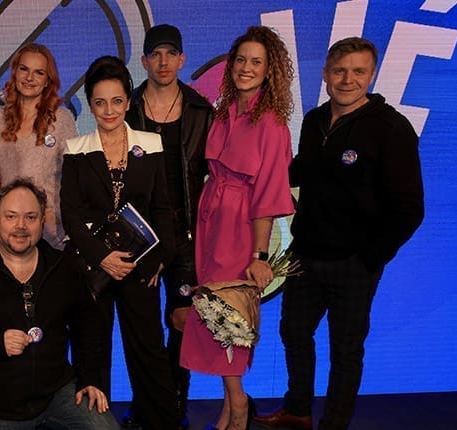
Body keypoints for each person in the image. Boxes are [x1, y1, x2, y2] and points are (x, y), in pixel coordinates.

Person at [253, 36, 424, 430]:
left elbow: (410, 208)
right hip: (305, 255)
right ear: (325, 74)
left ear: (372, 75)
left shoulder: (391, 128)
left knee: (345, 350)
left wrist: (370, 258)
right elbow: (301, 171)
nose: (348, 80)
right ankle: (297, 410)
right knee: (293, 333)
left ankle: (333, 424)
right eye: (340, 71)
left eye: (358, 71)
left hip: (354, 262)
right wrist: (255, 177)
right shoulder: (314, 121)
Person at [0, 178, 118, 429]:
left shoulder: (65, 267)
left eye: (30, 217)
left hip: (58, 393)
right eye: (11, 217)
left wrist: (90, 378)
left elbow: (89, 324)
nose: (21, 226)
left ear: (42, 220)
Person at [179, 26, 296, 430]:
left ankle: (240, 405)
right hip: (212, 219)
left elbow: (268, 196)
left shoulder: (272, 125)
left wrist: (259, 256)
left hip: (240, 229)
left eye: (256, 62)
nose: (246, 68)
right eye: (241, 60)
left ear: (270, 70)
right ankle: (230, 407)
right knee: (213, 314)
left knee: (229, 314)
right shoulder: (224, 111)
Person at [60, 55, 178, 430]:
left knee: (149, 351)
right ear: (90, 105)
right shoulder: (75, 149)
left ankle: (160, 423)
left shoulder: (151, 144)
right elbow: (70, 216)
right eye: (99, 102)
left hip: (140, 266)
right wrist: (101, 257)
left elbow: (163, 208)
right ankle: (95, 425)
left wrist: (157, 260)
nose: (108, 110)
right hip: (93, 268)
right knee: (91, 350)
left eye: (116, 101)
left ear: (128, 101)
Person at [124, 24, 213, 429]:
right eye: (155, 54)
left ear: (182, 60)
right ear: (144, 61)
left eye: (170, 54)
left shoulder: (200, 110)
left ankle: (174, 406)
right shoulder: (127, 109)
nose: (163, 62)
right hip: (139, 235)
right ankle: (147, 406)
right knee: (142, 330)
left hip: (186, 235)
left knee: (181, 321)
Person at [0, 43, 78, 249]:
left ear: (48, 81)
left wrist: (58, 215)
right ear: (15, 72)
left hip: (50, 230)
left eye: (39, 72)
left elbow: (73, 177)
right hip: (10, 230)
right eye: (24, 69)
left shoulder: (62, 119)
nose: (29, 78)